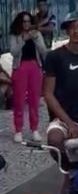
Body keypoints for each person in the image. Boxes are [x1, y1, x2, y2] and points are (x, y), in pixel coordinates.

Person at [42, 13, 78, 169]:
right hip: (62, 120)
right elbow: (47, 94)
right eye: (71, 27)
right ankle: (73, 172)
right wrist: (69, 123)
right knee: (54, 140)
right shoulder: (54, 57)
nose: (75, 31)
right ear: (67, 31)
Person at [9, 11, 48, 144]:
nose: (26, 24)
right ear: (20, 22)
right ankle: (18, 129)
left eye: (28, 21)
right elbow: (13, 52)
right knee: (19, 100)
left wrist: (36, 39)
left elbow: (43, 51)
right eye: (24, 21)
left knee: (34, 100)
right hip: (20, 68)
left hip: (34, 67)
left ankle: (34, 129)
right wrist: (23, 40)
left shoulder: (36, 34)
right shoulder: (15, 35)